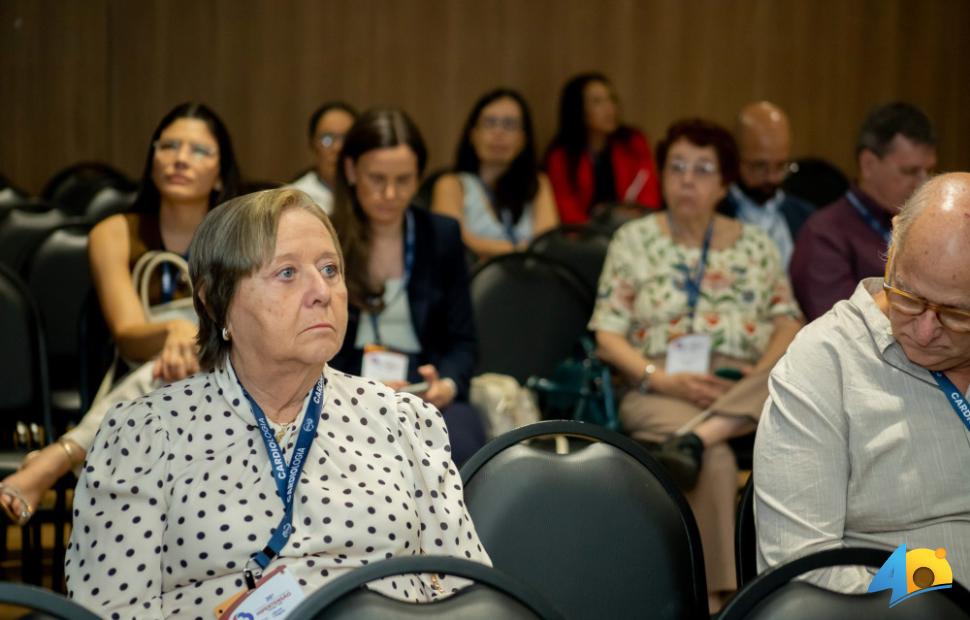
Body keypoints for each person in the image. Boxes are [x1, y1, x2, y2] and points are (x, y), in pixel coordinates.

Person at [65, 188, 491, 618]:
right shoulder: (146, 435)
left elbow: (469, 590)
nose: (321, 291)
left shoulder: (401, 420)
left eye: (330, 269)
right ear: (216, 301)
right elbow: (110, 610)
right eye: (287, 273)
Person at [590, 118, 802, 613]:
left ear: (725, 183)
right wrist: (664, 378)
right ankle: (717, 600)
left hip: (745, 379)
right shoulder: (634, 240)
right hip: (658, 388)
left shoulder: (755, 244)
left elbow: (789, 322)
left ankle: (701, 438)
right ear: (662, 174)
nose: (687, 179)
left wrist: (753, 377)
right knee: (720, 459)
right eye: (677, 167)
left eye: (703, 169)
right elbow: (607, 335)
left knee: (787, 377)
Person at [0, 102, 241, 526]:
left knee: (187, 364)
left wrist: (193, 340)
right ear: (152, 160)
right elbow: (128, 333)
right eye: (169, 146)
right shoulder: (113, 232)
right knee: (162, 373)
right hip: (145, 368)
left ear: (221, 172)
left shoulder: (238, 238)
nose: (181, 158)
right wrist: (174, 333)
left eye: (199, 151)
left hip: (229, 380)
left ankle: (63, 454)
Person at [755, 173, 970, 592]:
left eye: (957, 314)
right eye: (908, 296)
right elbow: (802, 574)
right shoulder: (825, 364)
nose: (924, 332)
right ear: (892, 248)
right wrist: (944, 582)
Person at [328, 108, 487, 465]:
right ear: (352, 171)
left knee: (463, 447)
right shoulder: (325, 235)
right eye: (377, 179)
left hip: (424, 384)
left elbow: (463, 340)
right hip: (344, 382)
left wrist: (446, 384)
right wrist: (354, 389)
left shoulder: (441, 235)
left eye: (404, 180)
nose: (390, 193)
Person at [789, 102, 937, 321]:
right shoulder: (824, 235)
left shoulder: (931, 225)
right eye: (910, 171)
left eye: (929, 171)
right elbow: (845, 331)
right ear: (868, 164)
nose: (924, 182)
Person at [431, 88, 558, 260]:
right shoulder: (451, 184)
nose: (499, 133)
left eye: (510, 125)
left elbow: (547, 243)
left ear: (523, 139)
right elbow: (454, 241)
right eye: (490, 123)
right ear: (472, 134)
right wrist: (519, 251)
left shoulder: (538, 183)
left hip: (531, 281)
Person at [545, 72, 661, 225]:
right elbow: (567, 211)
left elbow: (649, 195)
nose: (609, 108)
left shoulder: (633, 142)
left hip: (632, 227)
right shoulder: (561, 156)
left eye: (611, 99)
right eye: (597, 102)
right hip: (584, 237)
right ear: (578, 109)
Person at [718, 101, 814, 268]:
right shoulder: (711, 214)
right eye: (760, 166)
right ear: (734, 158)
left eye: (780, 166)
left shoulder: (807, 219)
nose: (772, 178)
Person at [289, 101, 358, 214]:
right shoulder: (294, 200)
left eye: (347, 138)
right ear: (313, 145)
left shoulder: (374, 197)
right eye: (327, 139)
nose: (338, 148)